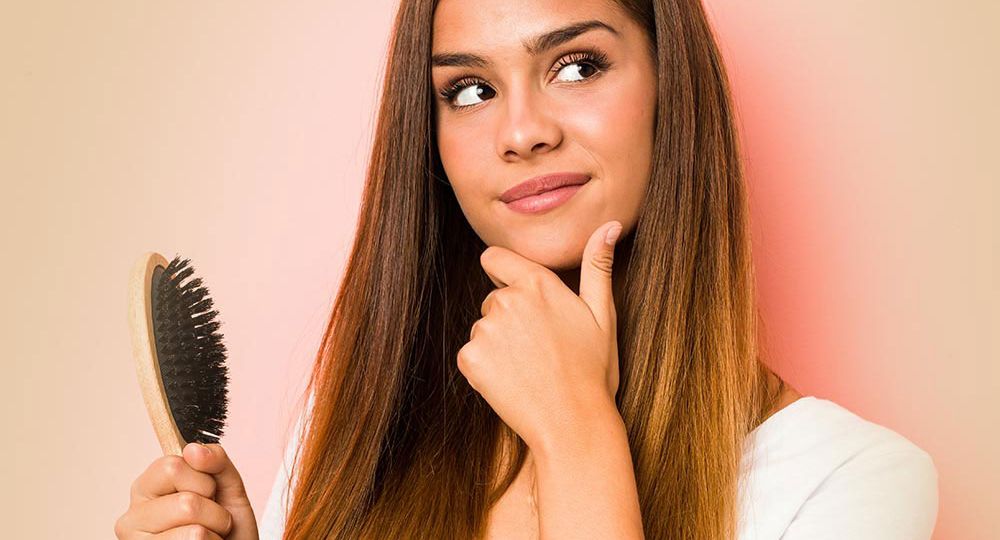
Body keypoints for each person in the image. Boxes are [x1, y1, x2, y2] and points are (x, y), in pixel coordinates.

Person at [115, 0, 939, 538]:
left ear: (671, 86)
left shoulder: (848, 482)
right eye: (469, 90)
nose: (521, 131)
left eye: (576, 66)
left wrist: (578, 435)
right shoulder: (356, 432)